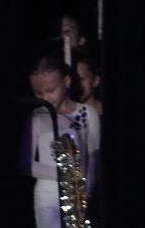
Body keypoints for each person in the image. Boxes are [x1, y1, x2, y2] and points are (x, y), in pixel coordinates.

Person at [26, 55, 101, 228]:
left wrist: (86, 193)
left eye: (50, 90)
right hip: (47, 197)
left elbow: (93, 158)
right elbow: (26, 164)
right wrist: (65, 173)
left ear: (66, 81)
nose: (45, 98)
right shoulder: (37, 116)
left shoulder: (87, 114)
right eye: (38, 93)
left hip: (79, 197)